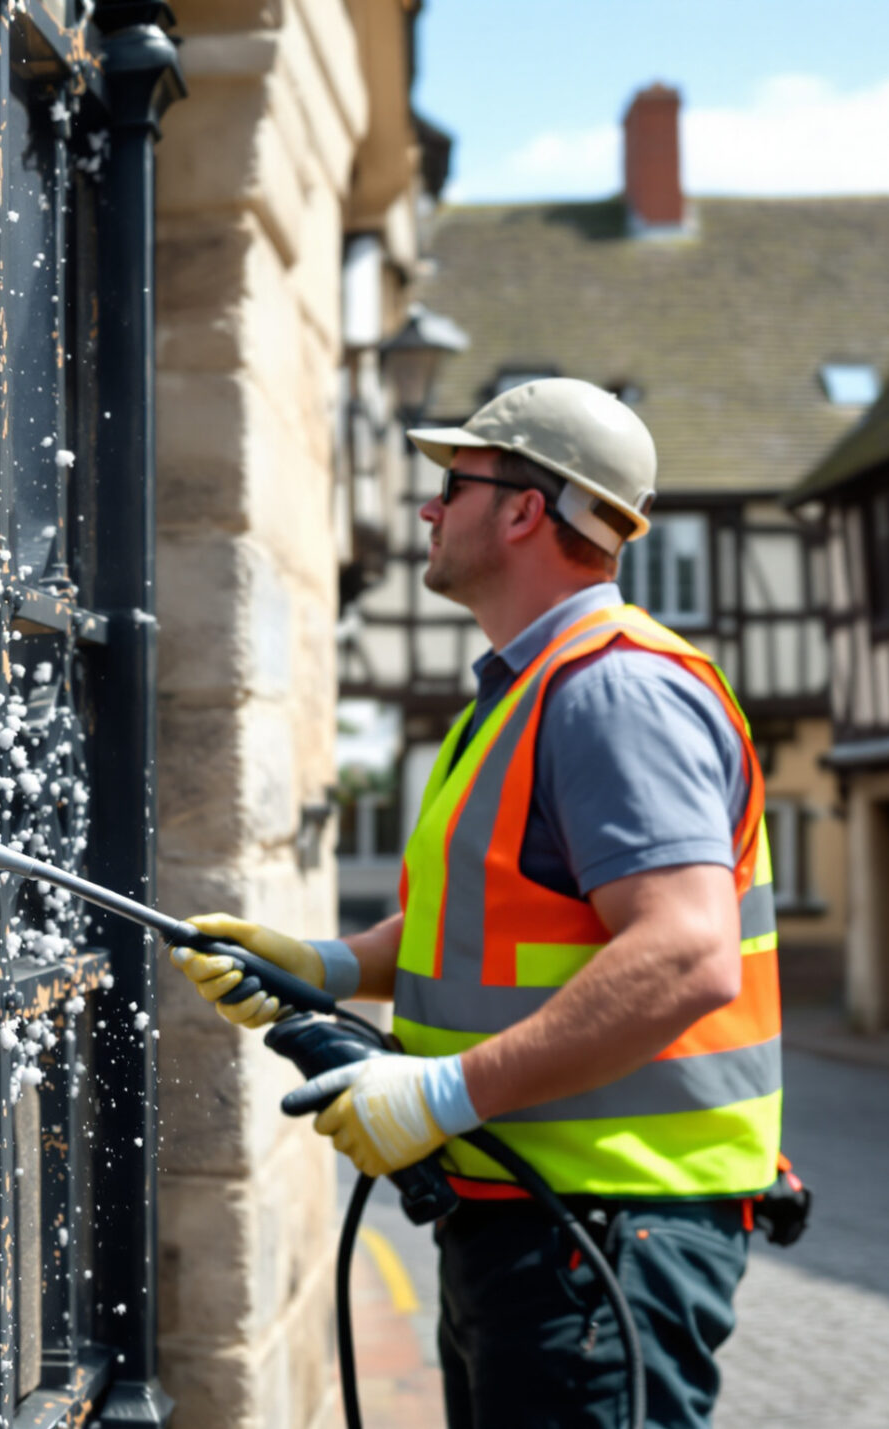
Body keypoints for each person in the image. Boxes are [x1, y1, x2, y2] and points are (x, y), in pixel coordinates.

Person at [176, 378, 785, 1429]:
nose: (427, 507)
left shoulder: (611, 690)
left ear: (522, 511)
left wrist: (441, 1094)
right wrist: (320, 964)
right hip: (539, 1225)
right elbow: (480, 928)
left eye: (450, 484)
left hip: (602, 1239)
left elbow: (687, 951)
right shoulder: (526, 689)